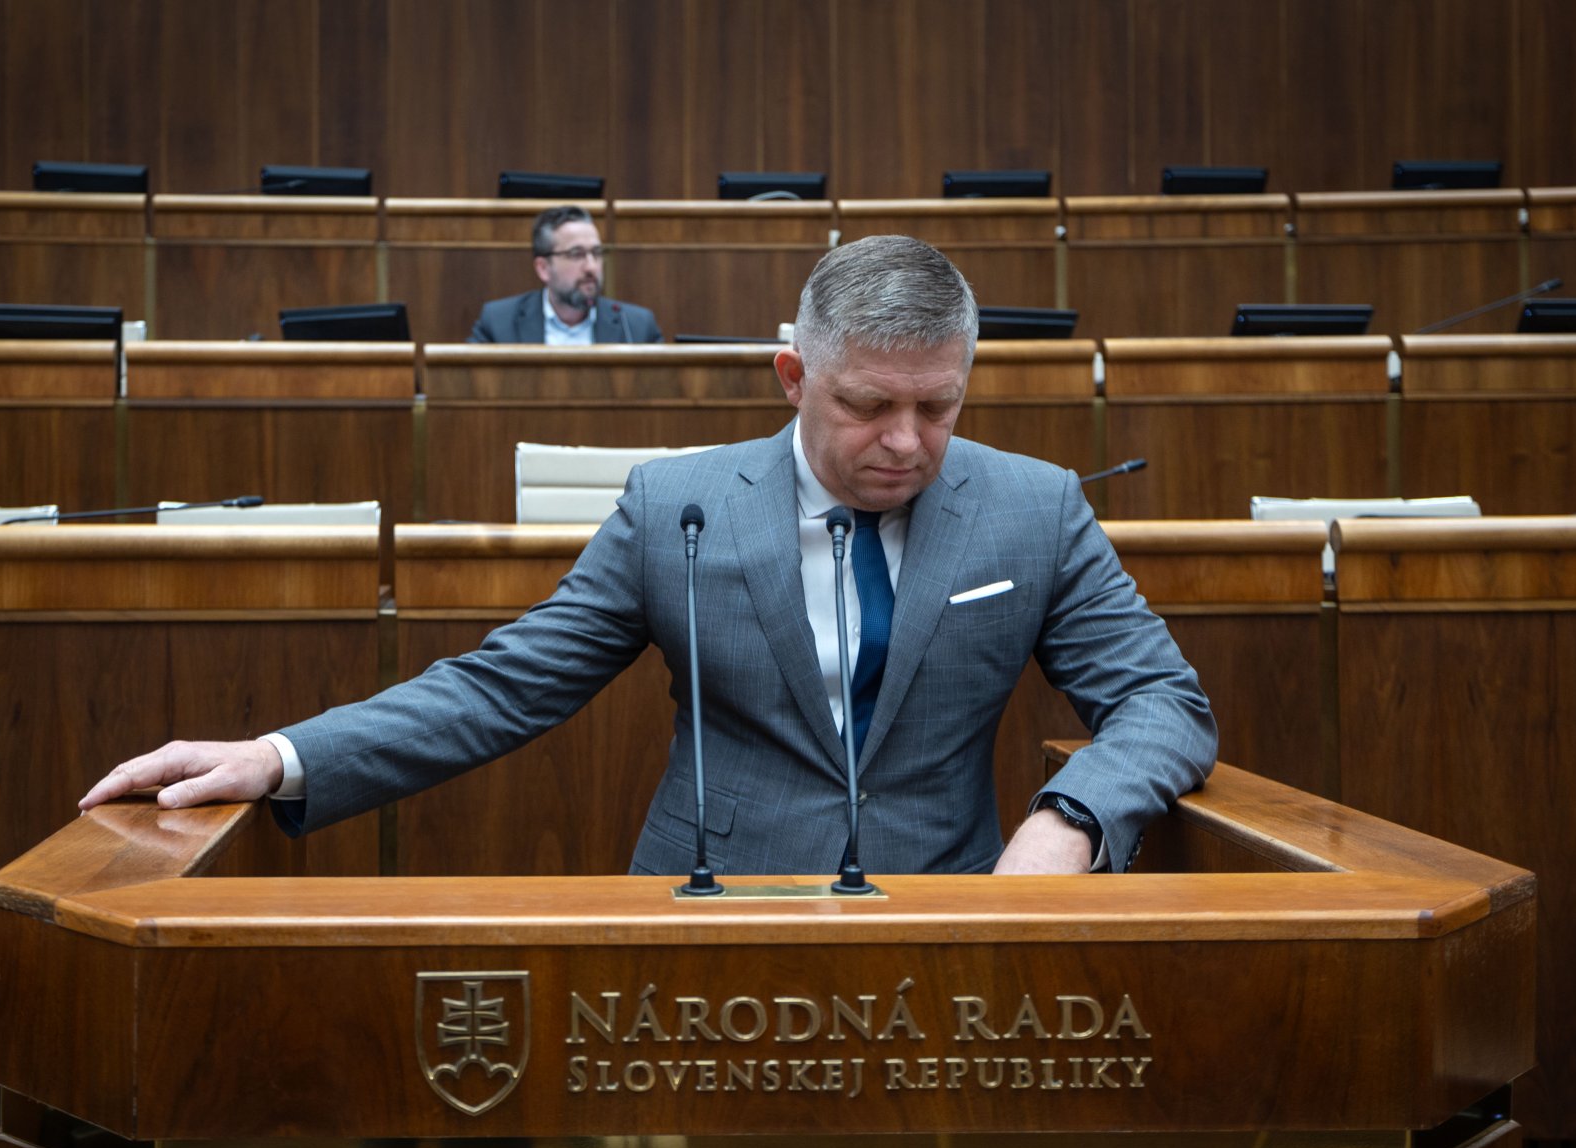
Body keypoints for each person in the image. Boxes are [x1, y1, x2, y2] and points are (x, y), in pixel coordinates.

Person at [83, 236, 1215, 875]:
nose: (908, 443)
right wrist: (279, 755)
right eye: (870, 406)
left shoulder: (1033, 508)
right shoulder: (676, 505)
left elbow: (1164, 701)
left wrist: (1071, 819)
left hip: (953, 918)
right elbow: (504, 685)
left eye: (940, 406)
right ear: (793, 377)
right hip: (703, 918)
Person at [467, 205, 663, 344]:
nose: (591, 266)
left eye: (596, 253)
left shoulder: (635, 327)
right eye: (576, 254)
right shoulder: (499, 324)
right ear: (543, 268)